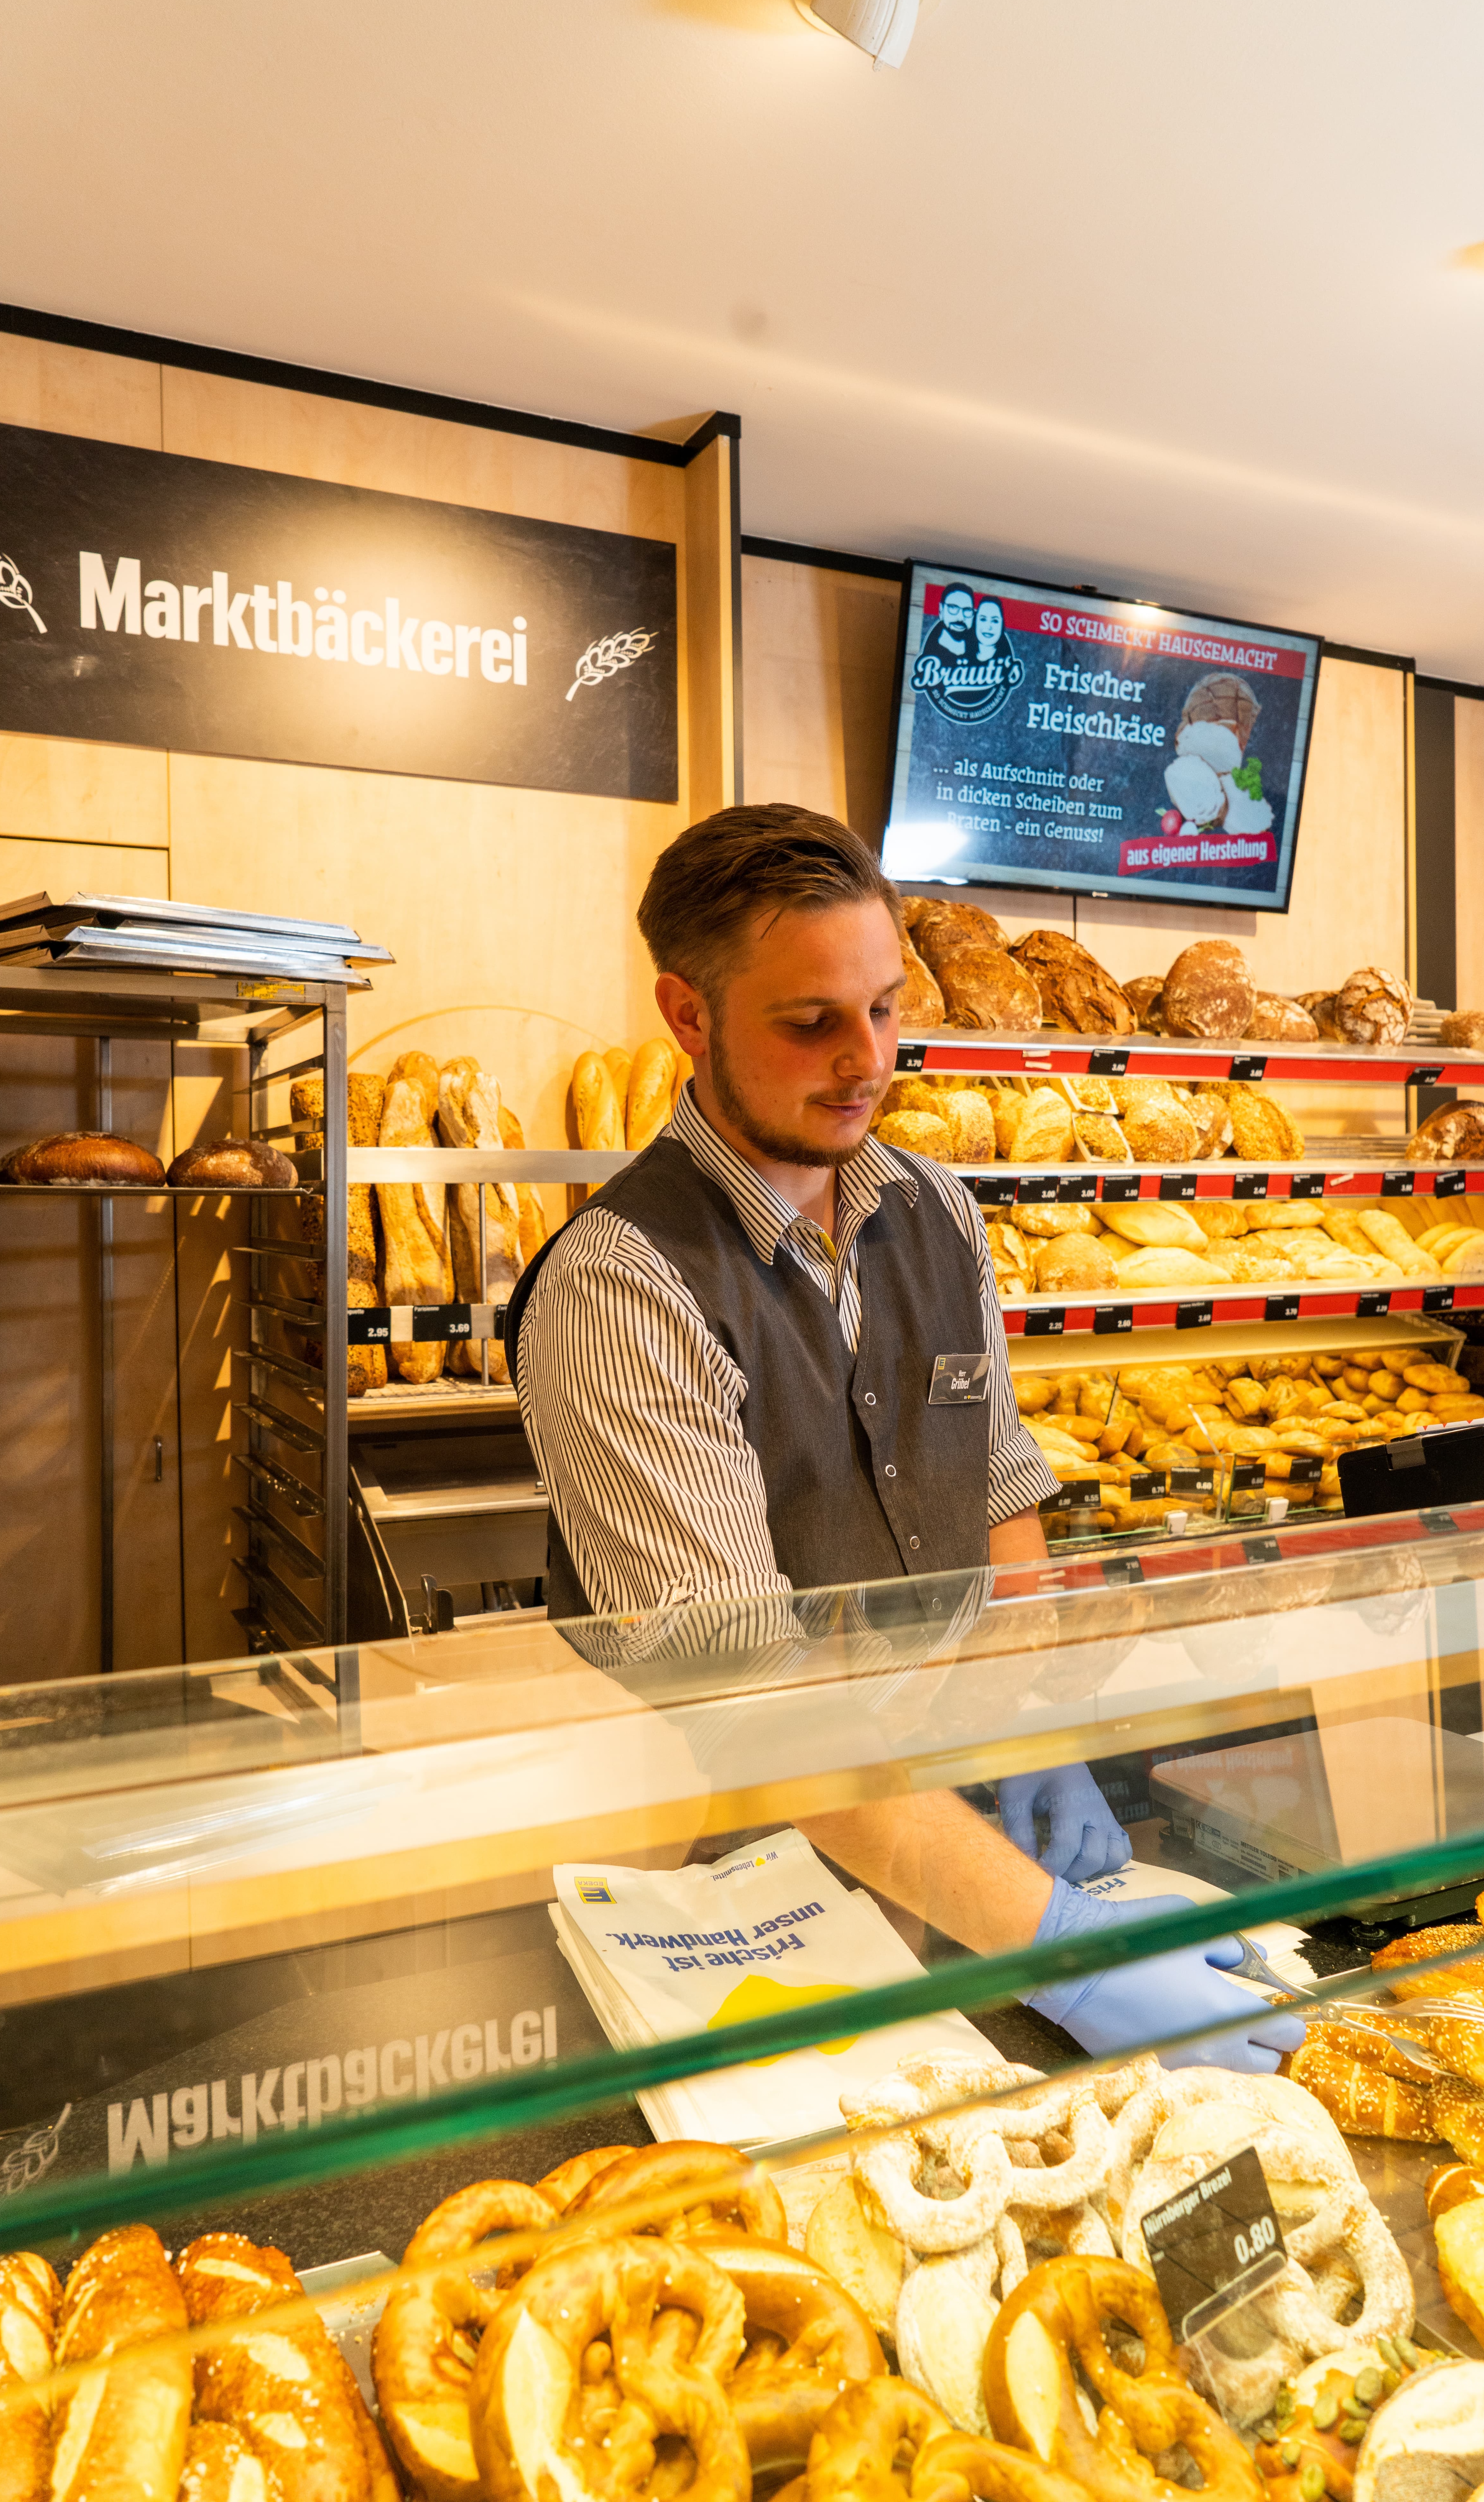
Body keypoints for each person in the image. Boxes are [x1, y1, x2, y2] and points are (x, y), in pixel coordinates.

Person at [513, 805, 1300, 2073]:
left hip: (951, 1869)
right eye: (810, 1020)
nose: (866, 1057)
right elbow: (758, 1712)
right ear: (689, 1014)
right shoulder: (624, 1284)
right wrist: (1066, 1953)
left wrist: (1027, 1736)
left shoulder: (932, 1207)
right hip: (733, 1911)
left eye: (883, 1008)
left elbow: (996, 1487)